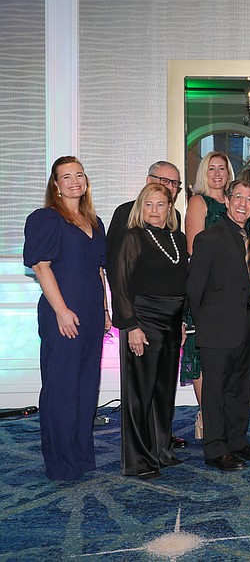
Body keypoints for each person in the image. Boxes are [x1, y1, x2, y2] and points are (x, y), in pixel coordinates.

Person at [23, 156, 111, 480]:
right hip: (62, 314)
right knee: (61, 389)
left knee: (87, 387)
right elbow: (41, 266)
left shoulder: (95, 222)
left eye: (79, 175)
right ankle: (61, 465)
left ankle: (80, 457)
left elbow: (99, 271)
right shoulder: (46, 218)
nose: (75, 181)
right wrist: (61, 311)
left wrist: (104, 310)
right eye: (66, 177)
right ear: (56, 186)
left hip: (90, 313)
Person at [186, 178, 250, 472]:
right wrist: (201, 327)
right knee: (216, 391)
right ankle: (216, 449)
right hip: (216, 331)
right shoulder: (208, 238)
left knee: (241, 390)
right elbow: (194, 289)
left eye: (249, 200)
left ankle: (237, 442)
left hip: (247, 328)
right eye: (238, 197)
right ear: (228, 201)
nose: (243, 203)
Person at [105, 161, 187, 450]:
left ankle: (161, 450)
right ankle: (140, 457)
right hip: (143, 320)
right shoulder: (131, 232)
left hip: (172, 323)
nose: (155, 209)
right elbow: (119, 279)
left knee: (164, 390)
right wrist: (130, 325)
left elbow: (180, 281)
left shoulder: (177, 234)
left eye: (162, 203)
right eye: (149, 204)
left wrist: (182, 319)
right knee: (140, 392)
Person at [182, 151, 235, 440]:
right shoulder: (198, 202)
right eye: (211, 168)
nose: (217, 174)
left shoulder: (234, 201)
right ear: (204, 173)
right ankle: (207, 416)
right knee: (203, 357)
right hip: (206, 292)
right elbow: (194, 250)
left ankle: (221, 416)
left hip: (232, 294)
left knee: (227, 357)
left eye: (222, 168)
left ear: (229, 173)